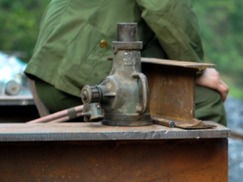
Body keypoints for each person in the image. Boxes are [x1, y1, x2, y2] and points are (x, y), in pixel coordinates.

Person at [24, 0, 229, 126]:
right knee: (202, 102)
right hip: (77, 78)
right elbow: (166, 8)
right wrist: (195, 70)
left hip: (49, 72)